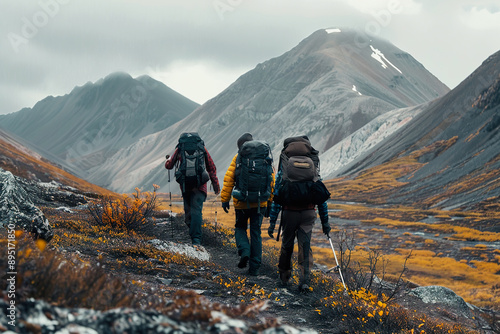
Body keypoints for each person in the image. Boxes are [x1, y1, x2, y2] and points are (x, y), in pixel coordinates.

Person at [267, 136, 330, 292]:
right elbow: (320, 194)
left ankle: (284, 279)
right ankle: (304, 281)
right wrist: (325, 222)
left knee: (287, 246)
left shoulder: (286, 160)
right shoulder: (312, 161)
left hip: (289, 213)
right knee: (305, 246)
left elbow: (277, 193)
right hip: (308, 212)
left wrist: (273, 221)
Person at [221, 133, 275, 276]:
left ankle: (244, 251)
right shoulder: (264, 158)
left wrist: (225, 199)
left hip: (242, 202)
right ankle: (254, 268)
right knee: (256, 233)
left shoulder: (238, 158)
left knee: (240, 228)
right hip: (260, 203)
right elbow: (271, 180)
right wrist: (270, 203)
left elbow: (229, 179)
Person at [165, 133, 220, 245]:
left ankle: (195, 238)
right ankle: (196, 239)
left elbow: (169, 166)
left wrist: (168, 159)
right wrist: (216, 185)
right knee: (197, 211)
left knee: (188, 212)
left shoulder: (180, 148)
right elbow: (211, 166)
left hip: (186, 186)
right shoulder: (201, 148)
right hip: (200, 186)